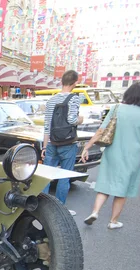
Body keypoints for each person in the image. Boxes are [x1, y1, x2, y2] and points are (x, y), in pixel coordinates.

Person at [80, 81, 140, 230]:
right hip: (131, 155)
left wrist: (87, 147)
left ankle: (95, 212)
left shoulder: (116, 108)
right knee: (123, 190)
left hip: (112, 152)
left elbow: (101, 131)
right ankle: (113, 221)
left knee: (106, 184)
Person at [41, 70, 84, 215]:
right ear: (75, 82)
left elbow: (47, 125)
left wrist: (44, 146)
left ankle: (42, 208)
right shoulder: (74, 98)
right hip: (68, 143)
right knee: (64, 177)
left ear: (62, 82)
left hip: (52, 143)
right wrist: (80, 119)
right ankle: (60, 210)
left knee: (46, 175)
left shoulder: (52, 100)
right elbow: (72, 119)